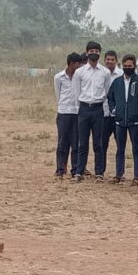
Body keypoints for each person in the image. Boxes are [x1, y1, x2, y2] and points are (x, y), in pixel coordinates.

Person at [71, 41, 112, 182]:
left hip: (98, 109)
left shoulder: (105, 73)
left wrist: (102, 108)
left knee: (98, 143)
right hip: (83, 109)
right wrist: (79, 110)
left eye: (96, 50)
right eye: (91, 50)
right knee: (82, 143)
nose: (93, 53)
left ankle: (99, 173)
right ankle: (79, 172)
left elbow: (106, 92)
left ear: (100, 53)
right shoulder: (79, 72)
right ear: (87, 52)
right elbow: (76, 93)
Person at [107, 54, 138, 185]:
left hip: (135, 121)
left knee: (136, 149)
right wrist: (114, 110)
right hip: (120, 121)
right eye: (125, 66)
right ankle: (118, 174)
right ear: (122, 66)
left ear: (135, 66)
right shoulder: (117, 82)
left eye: (130, 66)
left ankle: (136, 176)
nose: (128, 68)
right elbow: (110, 97)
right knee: (120, 149)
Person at [54, 52, 81, 178]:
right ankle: (60, 169)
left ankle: (75, 169)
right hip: (64, 112)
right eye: (78, 64)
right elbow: (58, 95)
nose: (79, 66)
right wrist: (62, 107)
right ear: (71, 64)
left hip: (76, 112)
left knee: (75, 143)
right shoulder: (59, 77)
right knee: (62, 142)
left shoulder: (79, 76)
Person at [99, 50, 123, 175]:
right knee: (102, 144)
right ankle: (100, 171)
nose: (109, 61)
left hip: (117, 115)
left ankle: (119, 173)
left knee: (120, 144)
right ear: (104, 60)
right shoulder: (100, 73)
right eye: (107, 59)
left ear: (116, 61)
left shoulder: (122, 74)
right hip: (103, 113)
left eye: (112, 59)